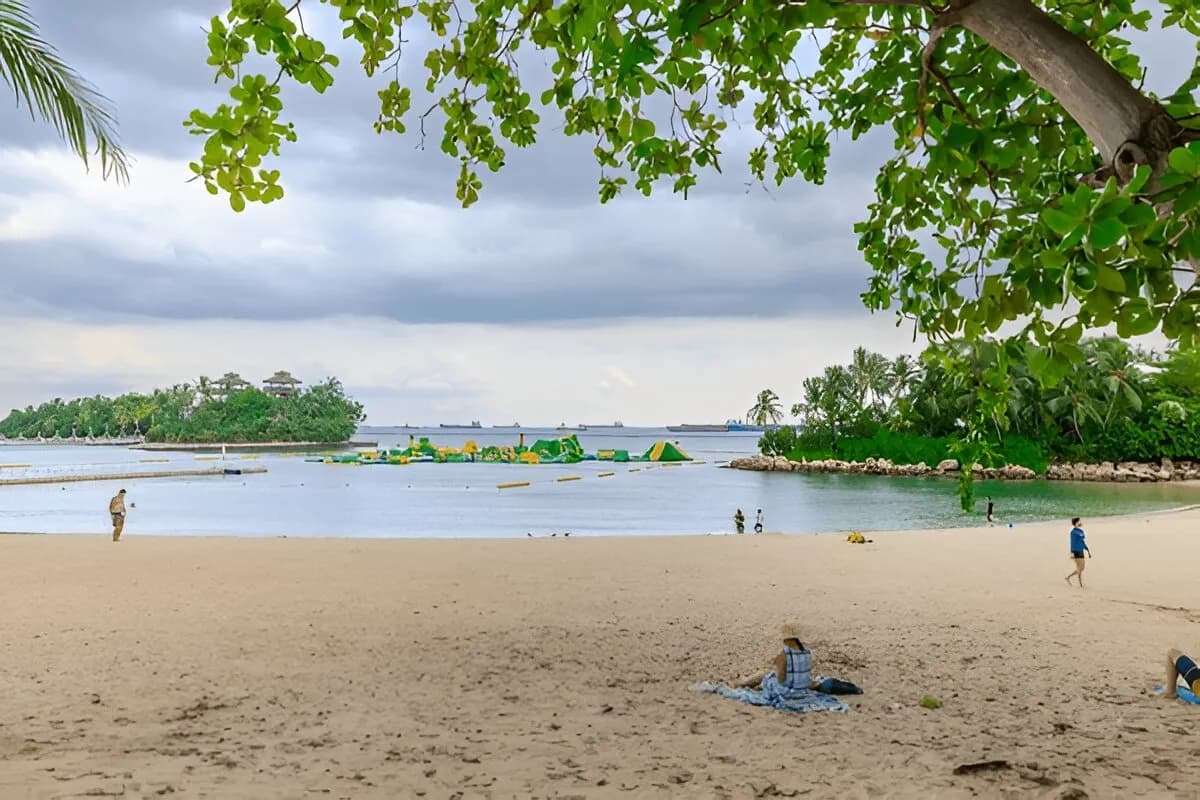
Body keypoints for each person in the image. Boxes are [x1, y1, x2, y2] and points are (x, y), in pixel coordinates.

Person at [1064, 516, 1090, 587]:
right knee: (1080, 568)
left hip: (1080, 550)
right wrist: (1072, 552)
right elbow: (1075, 541)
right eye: (1079, 521)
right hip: (1076, 551)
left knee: (1081, 568)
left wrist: (1087, 549)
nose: (1080, 522)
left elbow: (1082, 538)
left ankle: (1071, 579)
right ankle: (1075, 580)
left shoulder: (1080, 531)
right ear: (1076, 522)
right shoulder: (1073, 532)